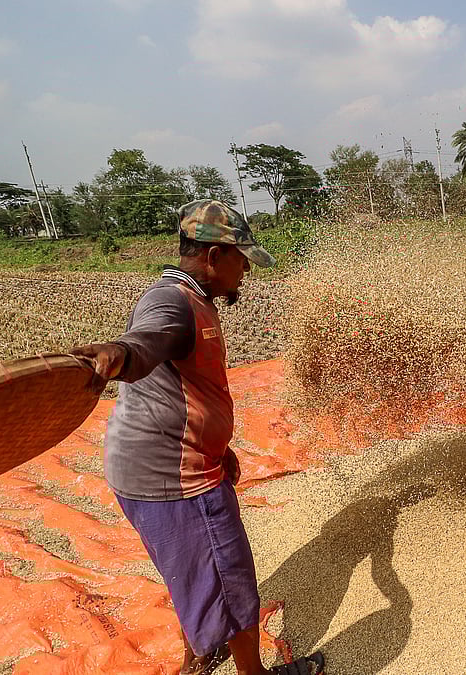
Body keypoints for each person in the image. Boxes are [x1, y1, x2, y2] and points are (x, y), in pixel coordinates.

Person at [71, 200, 325, 675]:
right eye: (240, 258)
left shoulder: (194, 300)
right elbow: (146, 343)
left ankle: (198, 659)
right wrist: (119, 353)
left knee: (191, 573)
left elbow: (181, 386)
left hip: (159, 464)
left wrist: (217, 445)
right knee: (232, 581)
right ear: (212, 256)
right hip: (177, 477)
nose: (245, 270)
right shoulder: (172, 302)